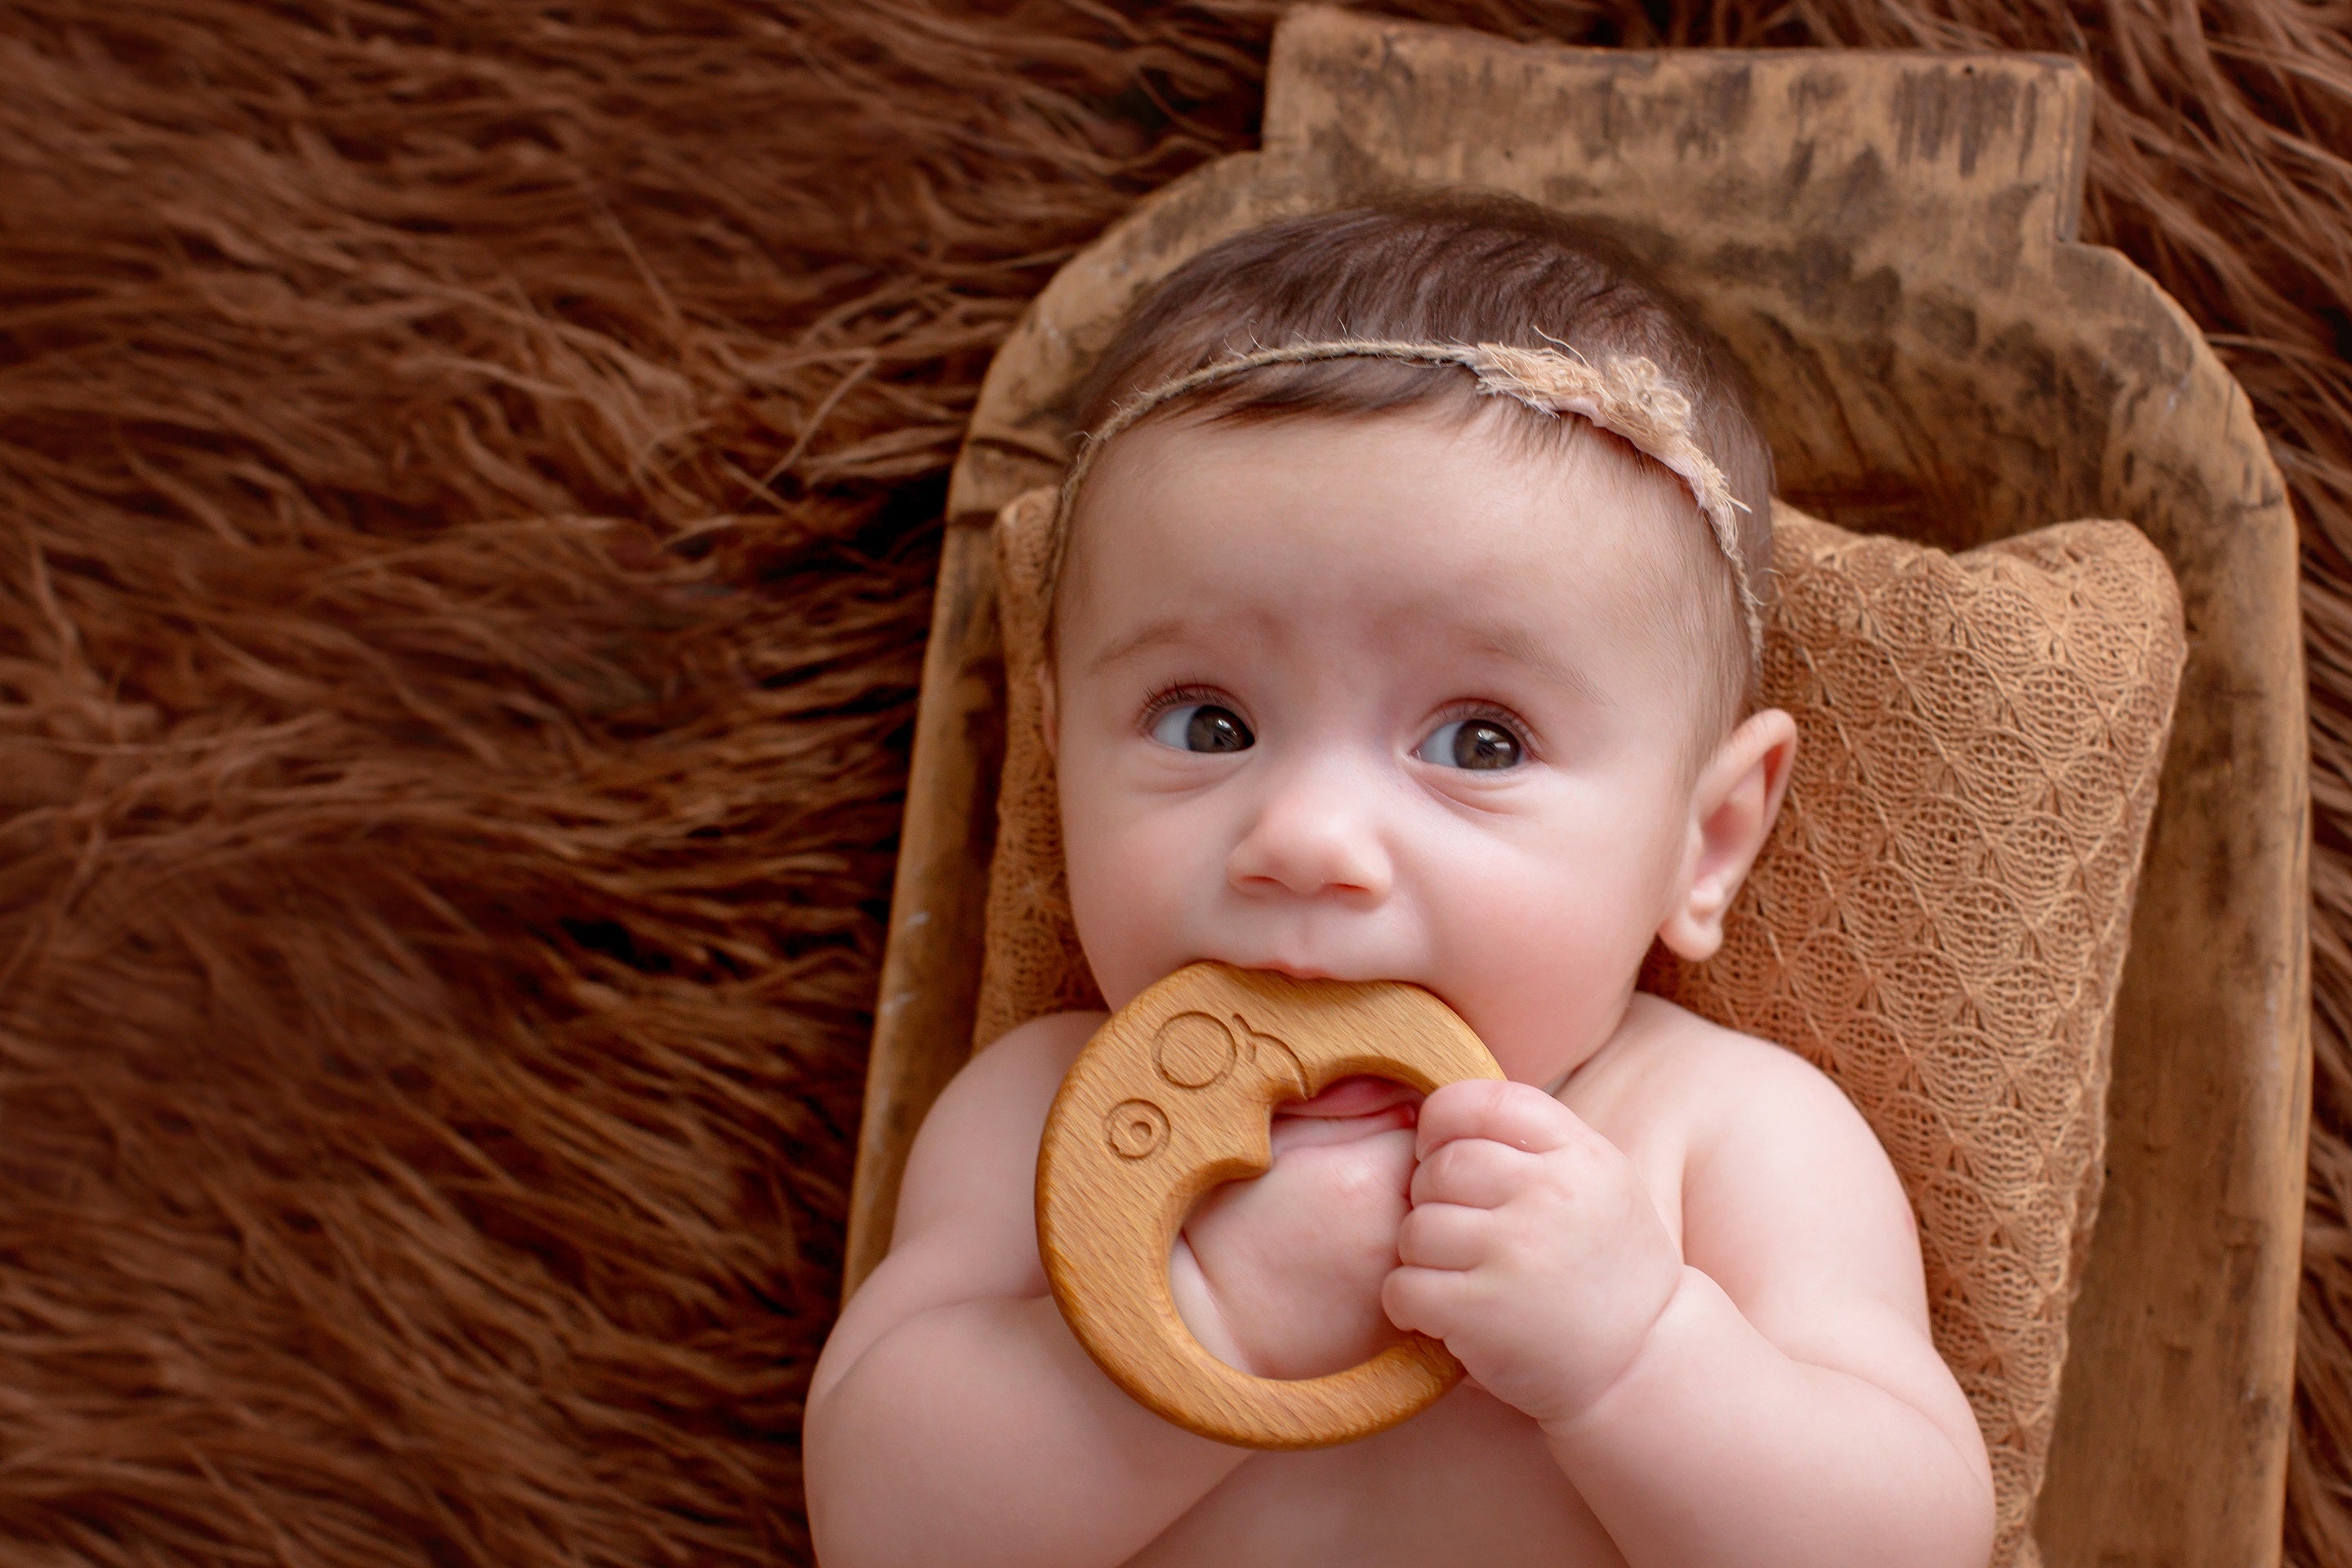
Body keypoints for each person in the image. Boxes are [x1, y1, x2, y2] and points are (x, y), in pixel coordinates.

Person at [804, 196, 1995, 1568]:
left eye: (1480, 743)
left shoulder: (1721, 1138)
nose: (1307, 838)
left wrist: (1633, 1356)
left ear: (1708, 840)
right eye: (1208, 724)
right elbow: (882, 1530)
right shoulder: (1044, 1120)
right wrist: (1214, 1317)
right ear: (1055, 757)